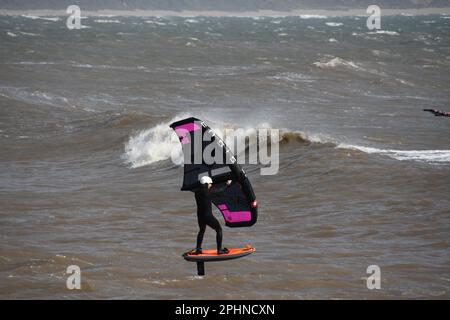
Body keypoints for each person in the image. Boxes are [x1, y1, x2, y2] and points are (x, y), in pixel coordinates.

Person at [193, 176, 231, 255]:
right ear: (206, 183)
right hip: (208, 216)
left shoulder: (197, 192)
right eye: (210, 184)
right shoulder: (207, 191)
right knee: (219, 230)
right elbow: (219, 190)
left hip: (200, 216)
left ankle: (198, 249)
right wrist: (226, 184)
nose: (211, 185)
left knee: (201, 231)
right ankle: (219, 250)